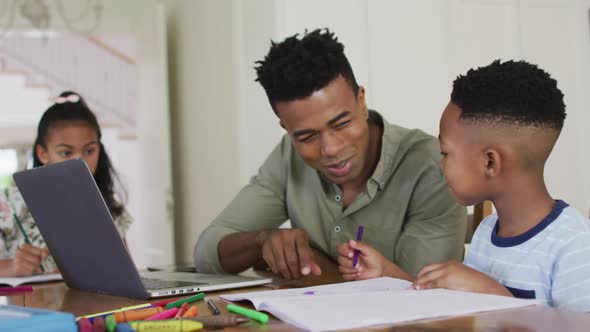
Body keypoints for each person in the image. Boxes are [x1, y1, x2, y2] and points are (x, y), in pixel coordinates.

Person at [194, 28, 466, 280]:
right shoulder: (288, 156)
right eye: (307, 136)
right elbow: (207, 254)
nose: (331, 149)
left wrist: (319, 266)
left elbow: (425, 294)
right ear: (286, 129)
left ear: (362, 101)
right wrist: (262, 241)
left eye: (341, 124)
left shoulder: (432, 164)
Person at [340, 60, 590, 311]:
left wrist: (494, 294)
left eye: (445, 153)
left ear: (490, 162)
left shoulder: (574, 246)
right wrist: (387, 273)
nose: (440, 164)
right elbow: (460, 306)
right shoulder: (487, 232)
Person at [0, 91, 133, 277]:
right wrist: (12, 267)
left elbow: (125, 275)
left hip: (92, 306)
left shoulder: (109, 207)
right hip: (25, 306)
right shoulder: (7, 203)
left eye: (89, 150)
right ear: (42, 153)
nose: (80, 161)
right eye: (65, 153)